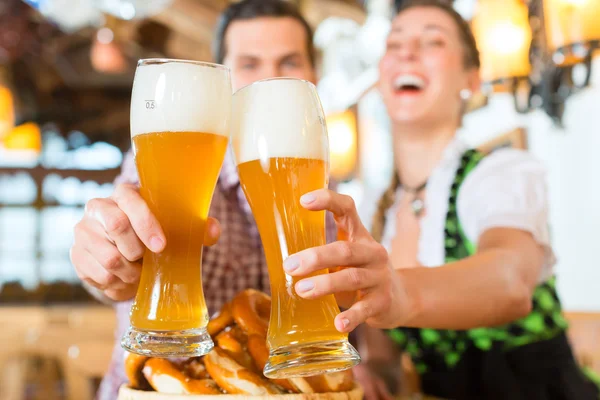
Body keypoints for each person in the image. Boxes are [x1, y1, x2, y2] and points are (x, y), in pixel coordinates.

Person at [70, 1, 390, 399]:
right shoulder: (179, 159)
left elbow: (359, 295)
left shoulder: (322, 185)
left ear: (315, 74)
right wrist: (104, 260)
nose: (270, 79)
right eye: (250, 64)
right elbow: (121, 237)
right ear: (222, 85)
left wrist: (373, 355)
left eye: (289, 62)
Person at [282, 0, 600, 398]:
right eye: (394, 44)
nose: (407, 52)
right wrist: (367, 374)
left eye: (432, 41)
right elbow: (386, 361)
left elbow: (512, 280)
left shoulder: (498, 173)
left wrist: (401, 291)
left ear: (471, 77)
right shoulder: (379, 212)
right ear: (382, 77)